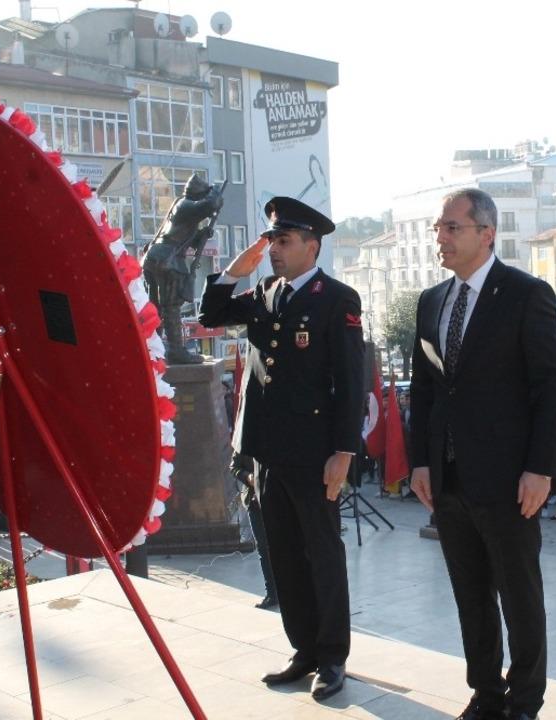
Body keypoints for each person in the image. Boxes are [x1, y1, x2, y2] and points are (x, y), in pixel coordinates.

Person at [198, 196, 364, 701]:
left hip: (314, 454)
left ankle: (332, 657)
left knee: (322, 554)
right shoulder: (264, 292)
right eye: (271, 240)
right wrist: (235, 270)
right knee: (285, 554)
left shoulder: (336, 299)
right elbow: (211, 314)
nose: (273, 249)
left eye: (283, 241)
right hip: (267, 450)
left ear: (311, 246)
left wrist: (343, 452)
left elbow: (350, 382)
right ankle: (304, 650)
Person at [409, 188, 556, 720]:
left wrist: (540, 468)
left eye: (452, 227)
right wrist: (421, 460)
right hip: (448, 477)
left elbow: (550, 387)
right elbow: (425, 389)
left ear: (487, 233)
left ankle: (524, 701)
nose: (441, 237)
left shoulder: (526, 294)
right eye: (438, 227)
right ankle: (486, 694)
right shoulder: (432, 300)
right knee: (470, 595)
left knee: (519, 596)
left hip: (508, 479)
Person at [142, 173, 225, 364]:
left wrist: (201, 235)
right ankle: (176, 351)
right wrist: (215, 192)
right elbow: (210, 205)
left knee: (156, 307)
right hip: (166, 259)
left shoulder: (183, 209)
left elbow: (183, 238)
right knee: (170, 307)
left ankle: (153, 348)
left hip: (157, 256)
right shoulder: (186, 205)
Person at [230, 451, 278, 609]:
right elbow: (234, 467)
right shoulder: (244, 439)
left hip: (279, 499)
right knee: (264, 548)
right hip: (254, 502)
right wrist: (248, 477)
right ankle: (272, 594)